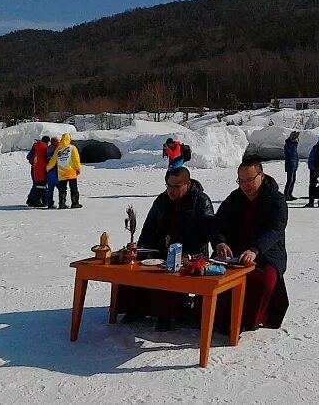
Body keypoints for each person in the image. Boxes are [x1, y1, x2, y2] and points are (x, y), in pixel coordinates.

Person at [118, 167, 215, 331]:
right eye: (169, 185)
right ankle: (135, 309)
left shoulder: (200, 200)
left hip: (190, 254)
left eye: (176, 186)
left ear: (187, 184)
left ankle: (167, 314)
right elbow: (149, 228)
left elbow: (205, 232)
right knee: (134, 270)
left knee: (171, 276)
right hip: (160, 251)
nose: (172, 190)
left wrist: (187, 253)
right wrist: (141, 249)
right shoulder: (162, 200)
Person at [213, 158, 289, 332]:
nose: (245, 185)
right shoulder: (234, 198)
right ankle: (217, 318)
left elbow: (276, 228)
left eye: (249, 180)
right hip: (234, 253)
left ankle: (245, 322)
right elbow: (217, 223)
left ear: (261, 176)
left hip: (266, 254)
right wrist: (220, 242)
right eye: (241, 181)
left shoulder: (275, 199)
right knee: (214, 276)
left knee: (261, 281)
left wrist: (256, 249)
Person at [46, 133, 82, 209]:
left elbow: (53, 160)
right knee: (74, 188)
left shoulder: (58, 149)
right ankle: (75, 203)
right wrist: (78, 169)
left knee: (62, 189)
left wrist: (48, 168)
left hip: (61, 172)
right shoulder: (72, 148)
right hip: (71, 172)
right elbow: (76, 160)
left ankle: (62, 204)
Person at [26, 136, 50, 207]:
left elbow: (28, 157)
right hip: (41, 169)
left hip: (34, 168)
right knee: (40, 186)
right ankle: (37, 200)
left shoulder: (35, 147)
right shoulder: (44, 148)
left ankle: (30, 200)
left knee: (36, 185)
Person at [283, 131, 299, 201]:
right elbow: (290, 152)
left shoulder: (294, 144)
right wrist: (293, 142)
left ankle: (290, 193)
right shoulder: (288, 144)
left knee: (293, 180)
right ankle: (286, 194)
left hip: (294, 164)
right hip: (290, 164)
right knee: (290, 180)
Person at [45, 137, 60, 209]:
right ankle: (62, 202)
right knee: (61, 188)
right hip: (55, 171)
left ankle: (50, 203)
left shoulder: (48, 148)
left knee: (50, 189)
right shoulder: (56, 148)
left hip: (49, 171)